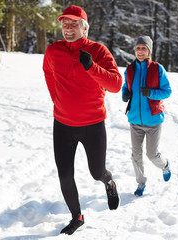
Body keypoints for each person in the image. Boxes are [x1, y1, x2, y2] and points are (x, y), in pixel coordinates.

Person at [42, 5, 122, 235]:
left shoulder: (98, 51)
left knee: (96, 172)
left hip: (93, 124)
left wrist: (92, 67)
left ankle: (109, 182)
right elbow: (48, 73)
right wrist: (56, 98)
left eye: (74, 23)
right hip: (63, 124)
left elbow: (116, 85)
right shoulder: (53, 51)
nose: (68, 28)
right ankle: (77, 216)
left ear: (84, 27)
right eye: (64, 24)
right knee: (65, 175)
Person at [121, 36, 172, 197]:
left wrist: (151, 93)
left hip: (153, 121)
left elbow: (167, 91)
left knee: (152, 154)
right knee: (136, 155)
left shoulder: (157, 69)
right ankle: (141, 182)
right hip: (135, 120)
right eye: (138, 48)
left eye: (143, 48)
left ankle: (165, 165)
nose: (140, 51)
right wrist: (125, 94)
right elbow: (125, 86)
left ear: (149, 51)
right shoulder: (130, 70)